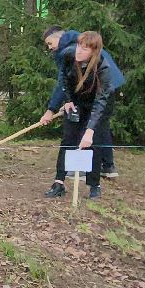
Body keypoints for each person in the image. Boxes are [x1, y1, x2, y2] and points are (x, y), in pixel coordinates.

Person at [38, 26, 126, 198]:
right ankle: (59, 183)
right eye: (78, 46)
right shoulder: (68, 55)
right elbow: (63, 79)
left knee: (94, 141)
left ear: (93, 52)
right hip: (77, 100)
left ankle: (94, 185)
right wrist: (68, 101)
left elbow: (100, 102)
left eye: (84, 49)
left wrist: (90, 130)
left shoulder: (103, 69)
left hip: (98, 102)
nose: (78, 51)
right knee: (68, 138)